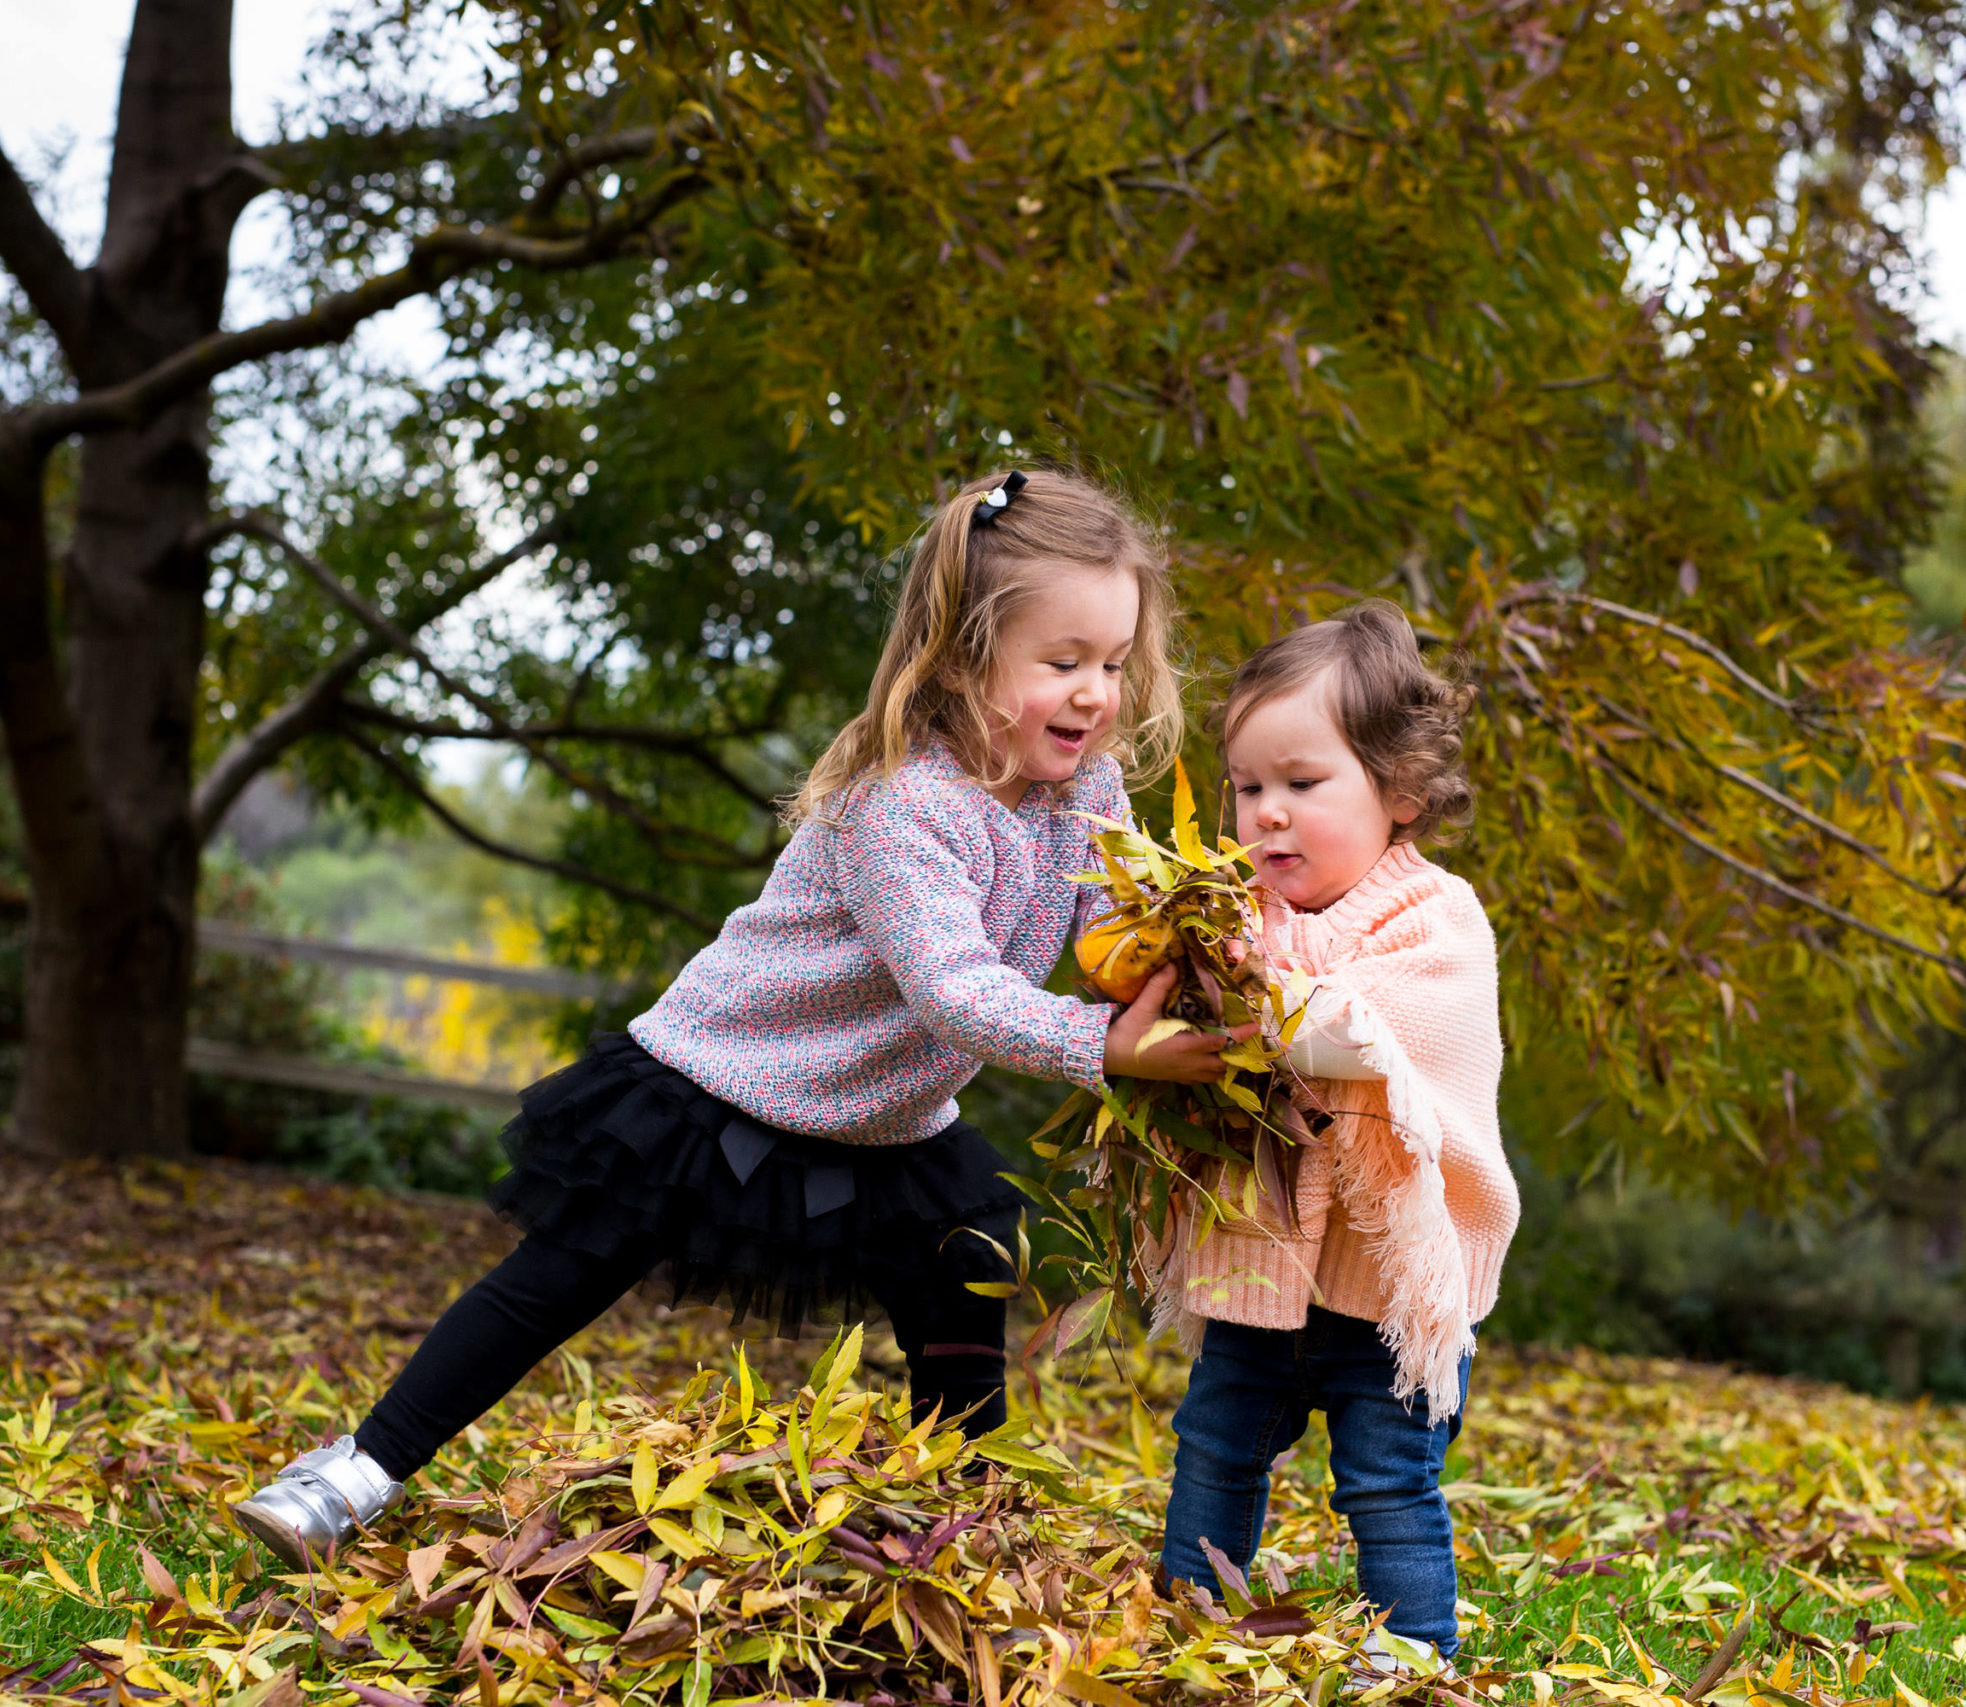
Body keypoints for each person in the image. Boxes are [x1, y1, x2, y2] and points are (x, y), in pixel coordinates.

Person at [234, 468, 1237, 1569]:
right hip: (720, 1081)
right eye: (1061, 664)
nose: (1096, 693)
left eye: (1110, 662)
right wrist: (1102, 1046)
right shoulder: (899, 803)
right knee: (563, 1273)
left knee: (962, 1253)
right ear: (961, 653)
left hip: (886, 1117)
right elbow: (952, 988)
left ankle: (967, 1517)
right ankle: (354, 1473)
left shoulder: (1085, 795)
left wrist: (1207, 964)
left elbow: (1118, 931)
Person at [1152, 600, 1519, 1672]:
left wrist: (1233, 995)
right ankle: (1192, 1626)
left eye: (1301, 785)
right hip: (1264, 1260)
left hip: (1388, 1285)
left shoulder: (1436, 921)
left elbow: (1357, 1032)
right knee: (1215, 1445)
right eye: (1248, 786)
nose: (1266, 814)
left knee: (1385, 1478)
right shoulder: (1238, 915)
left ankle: (1414, 1657)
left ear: (1396, 791)